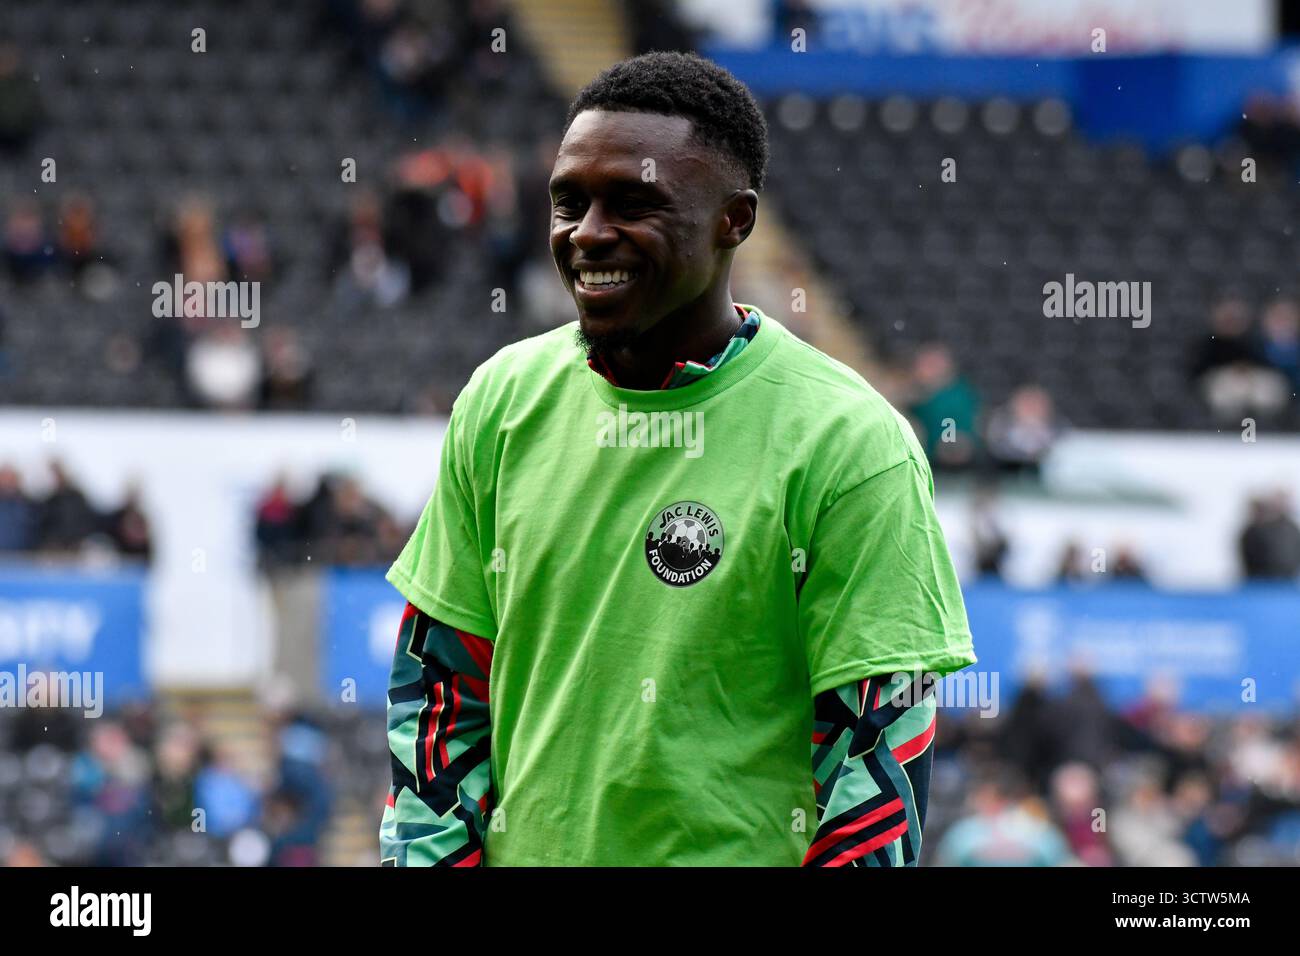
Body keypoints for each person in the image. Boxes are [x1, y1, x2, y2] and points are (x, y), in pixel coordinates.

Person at [380, 52, 975, 867]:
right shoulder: (502, 401)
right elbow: (440, 691)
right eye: (569, 202)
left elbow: (875, 767)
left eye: (632, 203)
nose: (587, 233)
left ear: (735, 219)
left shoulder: (851, 443)